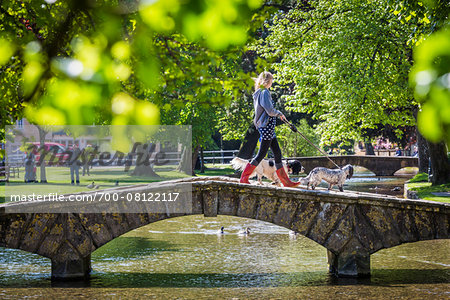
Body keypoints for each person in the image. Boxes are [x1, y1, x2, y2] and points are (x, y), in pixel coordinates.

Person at [239, 71, 299, 187]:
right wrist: (279, 113)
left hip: (267, 127)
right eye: (271, 80)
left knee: (277, 153)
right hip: (267, 126)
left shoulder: (259, 92)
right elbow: (270, 111)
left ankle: (286, 182)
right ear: (267, 81)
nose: (272, 83)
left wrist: (278, 114)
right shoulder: (264, 92)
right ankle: (244, 177)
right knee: (261, 154)